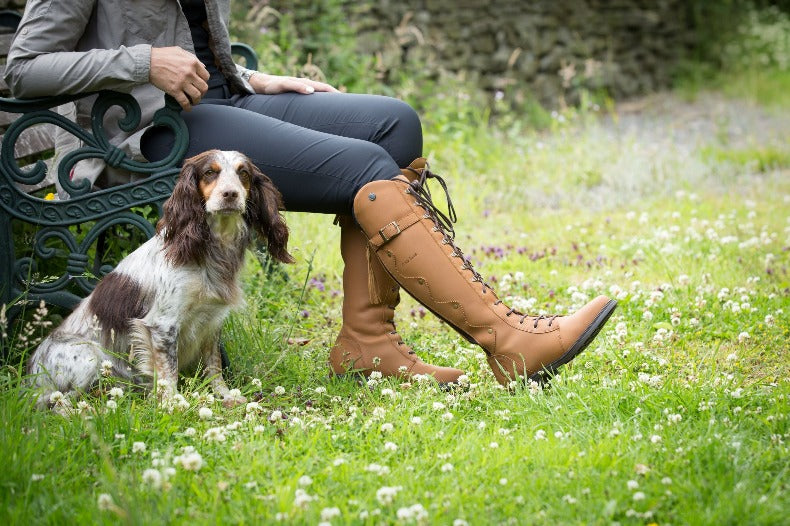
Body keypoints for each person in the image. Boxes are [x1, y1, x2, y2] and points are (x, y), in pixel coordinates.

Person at [5, 0, 616, 387]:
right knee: (366, 165)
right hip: (159, 132)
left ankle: (367, 343)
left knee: (393, 122)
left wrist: (251, 78)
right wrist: (143, 61)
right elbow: (20, 68)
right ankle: (507, 341)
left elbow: (195, 40)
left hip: (222, 102)